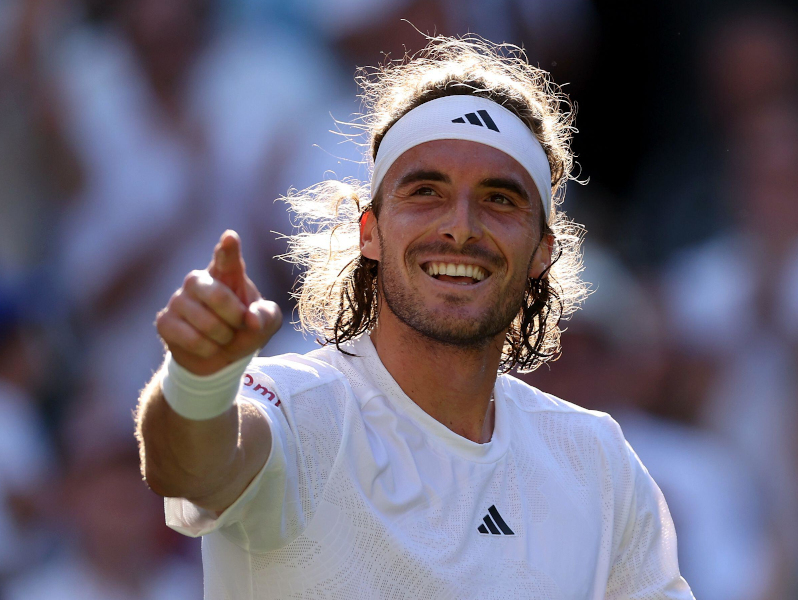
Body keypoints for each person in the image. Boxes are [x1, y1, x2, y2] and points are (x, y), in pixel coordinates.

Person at [135, 36, 695, 599]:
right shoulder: (295, 407)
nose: (461, 226)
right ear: (370, 233)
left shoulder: (597, 461)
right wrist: (199, 382)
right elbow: (189, 468)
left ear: (543, 252)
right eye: (426, 191)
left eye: (500, 199)